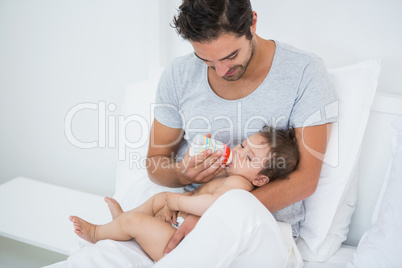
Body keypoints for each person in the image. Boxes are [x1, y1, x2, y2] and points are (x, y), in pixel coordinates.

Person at [146, 0, 337, 263]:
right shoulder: (178, 76)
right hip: (183, 220)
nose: (222, 71)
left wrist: (211, 216)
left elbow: (305, 180)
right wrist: (180, 173)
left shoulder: (304, 72)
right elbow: (155, 160)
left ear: (252, 23)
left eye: (230, 56)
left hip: (262, 228)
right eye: (207, 61)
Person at [69, 126, 300, 262]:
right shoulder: (230, 175)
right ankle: (120, 221)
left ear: (260, 180)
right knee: (157, 200)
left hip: (180, 245)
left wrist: (176, 200)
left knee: (138, 220)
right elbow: (202, 191)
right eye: (242, 146)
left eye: (248, 158)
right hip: (177, 225)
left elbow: (213, 206)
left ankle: (98, 233)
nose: (238, 153)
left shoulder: (240, 186)